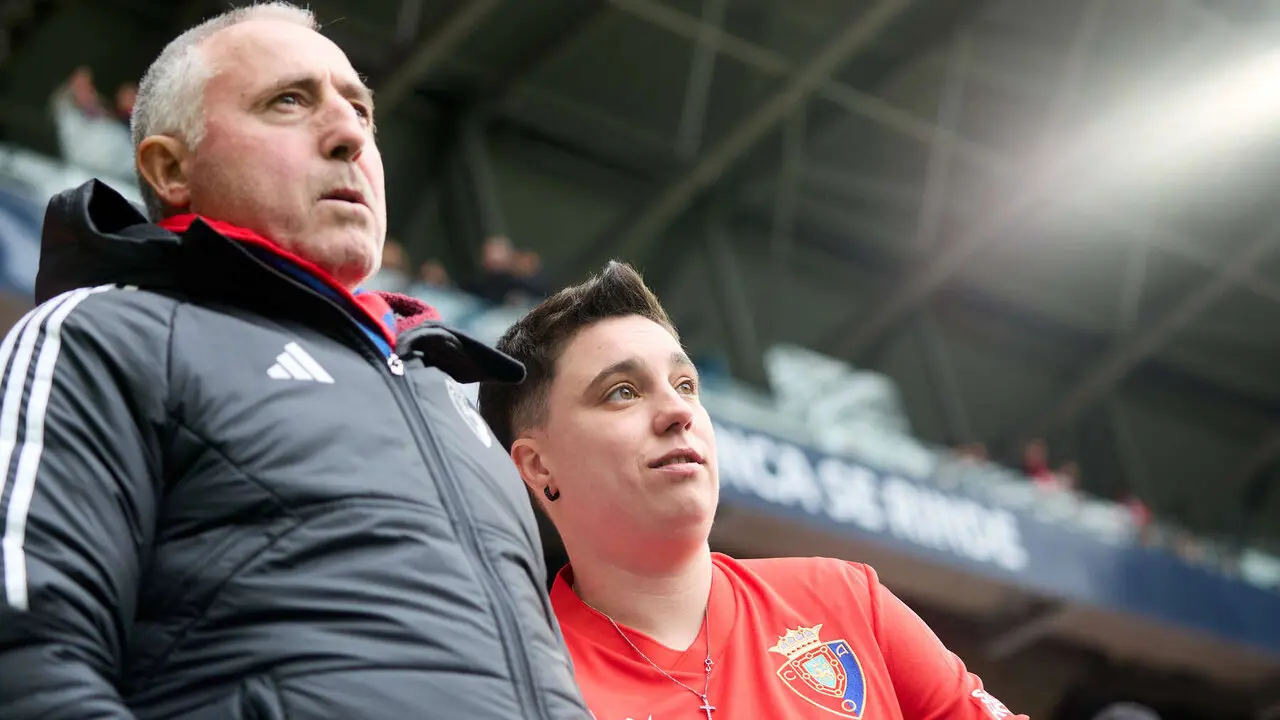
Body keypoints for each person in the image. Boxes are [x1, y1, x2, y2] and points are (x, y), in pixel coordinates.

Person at [0, 3, 590, 718]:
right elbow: (29, 657)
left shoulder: (457, 409)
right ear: (170, 167)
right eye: (289, 101)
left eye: (361, 112)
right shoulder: (107, 337)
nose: (349, 135)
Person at [479, 261, 1028, 720]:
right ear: (538, 466)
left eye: (686, 384)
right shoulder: (518, 684)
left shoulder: (844, 599)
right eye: (622, 392)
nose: (677, 411)